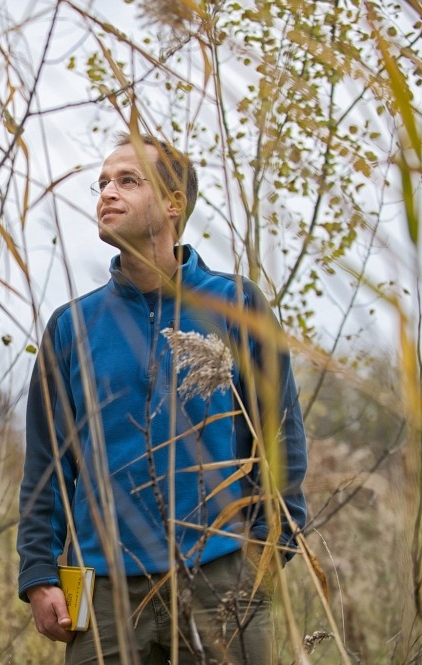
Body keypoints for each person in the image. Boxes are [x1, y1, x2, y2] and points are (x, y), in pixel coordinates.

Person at [16, 133, 308, 664]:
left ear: (174, 203)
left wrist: (268, 548)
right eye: (102, 183)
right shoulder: (71, 325)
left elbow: (279, 432)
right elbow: (47, 466)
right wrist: (39, 575)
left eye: (128, 180)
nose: (107, 192)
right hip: (103, 587)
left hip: (220, 572)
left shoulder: (236, 302)